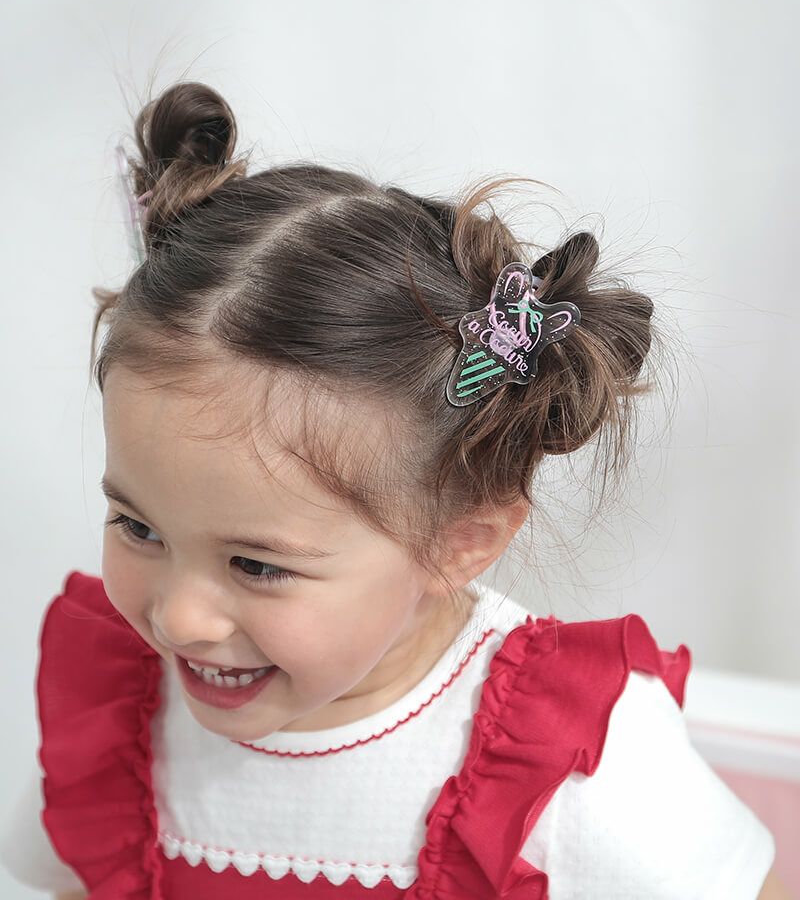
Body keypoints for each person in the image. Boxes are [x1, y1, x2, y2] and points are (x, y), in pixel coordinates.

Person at [0, 81, 783, 899]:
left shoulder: (569, 759)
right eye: (138, 527)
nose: (179, 618)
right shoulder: (119, 709)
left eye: (257, 565)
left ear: (458, 543)